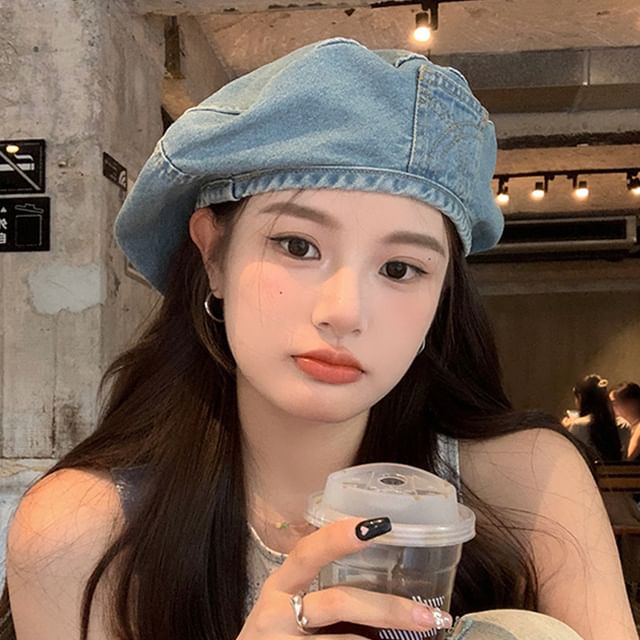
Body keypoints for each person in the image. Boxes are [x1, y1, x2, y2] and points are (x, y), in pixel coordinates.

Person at [1, 38, 635, 640]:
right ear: (213, 254)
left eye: (400, 269)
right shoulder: (82, 532)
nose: (344, 312)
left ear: (442, 298)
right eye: (297, 245)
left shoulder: (527, 487)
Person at [561, 374, 623, 462]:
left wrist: (564, 431)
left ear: (580, 397)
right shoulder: (623, 424)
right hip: (621, 470)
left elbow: (570, 457)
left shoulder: (579, 426)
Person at [610, 382, 640, 461]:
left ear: (632, 403)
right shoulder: (630, 427)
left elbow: (629, 461)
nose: (611, 408)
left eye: (614, 403)